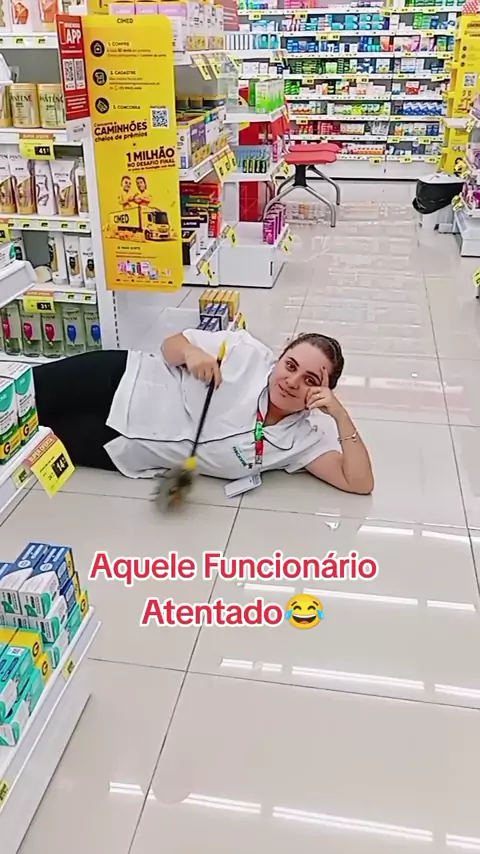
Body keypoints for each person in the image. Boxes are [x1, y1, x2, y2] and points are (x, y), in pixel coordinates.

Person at [33, 328, 374, 494]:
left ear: (323, 390)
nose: (292, 381)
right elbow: (171, 344)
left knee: (20, 443)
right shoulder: (246, 353)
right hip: (119, 380)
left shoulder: (301, 440)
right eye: (291, 365)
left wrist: (340, 415)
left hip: (116, 446)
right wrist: (191, 353)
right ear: (280, 358)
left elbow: (359, 483)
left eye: (310, 379)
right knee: (20, 400)